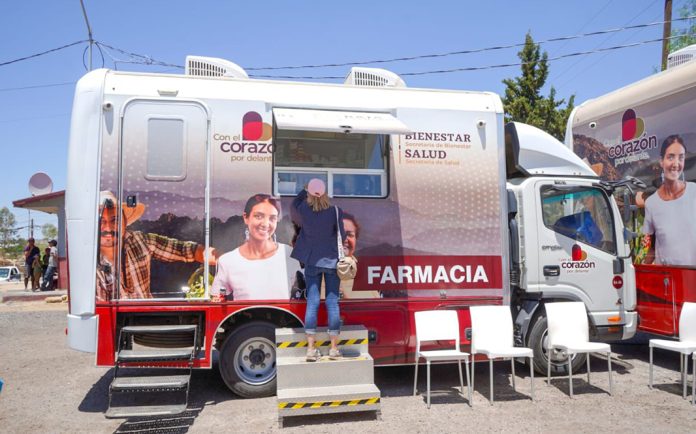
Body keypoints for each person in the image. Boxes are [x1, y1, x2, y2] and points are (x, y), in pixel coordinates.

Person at [96, 191, 217, 301]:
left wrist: (222, 259)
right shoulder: (87, 261)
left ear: (125, 221)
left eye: (115, 220)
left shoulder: (140, 241)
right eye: (101, 221)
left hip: (147, 315)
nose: (108, 228)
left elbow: (186, 249)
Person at [291, 179, 345, 361]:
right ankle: (334, 349)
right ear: (324, 193)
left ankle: (311, 349)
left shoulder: (304, 210)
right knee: (332, 303)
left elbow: (295, 203)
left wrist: (304, 189)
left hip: (312, 262)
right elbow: (342, 235)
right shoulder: (335, 211)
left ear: (309, 193)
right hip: (332, 262)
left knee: (312, 302)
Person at [211, 194, 300, 300]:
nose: (265, 224)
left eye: (272, 218)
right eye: (259, 216)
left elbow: (302, 294)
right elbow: (218, 300)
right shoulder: (228, 261)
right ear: (246, 218)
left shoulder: (289, 255)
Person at [642, 135, 696, 266]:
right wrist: (639, 269)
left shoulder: (694, 191)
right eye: (671, 157)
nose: (676, 164)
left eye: (681, 158)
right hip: (666, 276)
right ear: (661, 161)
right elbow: (649, 248)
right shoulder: (651, 204)